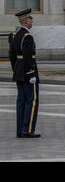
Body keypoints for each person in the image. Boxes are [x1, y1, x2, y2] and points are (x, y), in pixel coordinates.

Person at [10, 8, 40, 138]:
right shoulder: (27, 37)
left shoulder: (16, 35)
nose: (31, 21)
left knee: (21, 101)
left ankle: (20, 129)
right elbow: (28, 57)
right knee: (31, 100)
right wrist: (31, 73)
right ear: (26, 21)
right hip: (28, 73)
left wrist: (16, 70)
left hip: (19, 71)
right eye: (30, 19)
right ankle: (27, 129)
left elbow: (11, 55)